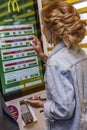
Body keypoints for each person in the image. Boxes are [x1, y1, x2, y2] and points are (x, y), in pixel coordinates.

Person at [27, 1, 87, 130]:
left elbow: (64, 110)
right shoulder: (80, 53)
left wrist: (43, 105)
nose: (42, 30)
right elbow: (65, 68)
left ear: (52, 29)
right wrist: (42, 54)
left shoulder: (55, 63)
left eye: (43, 25)